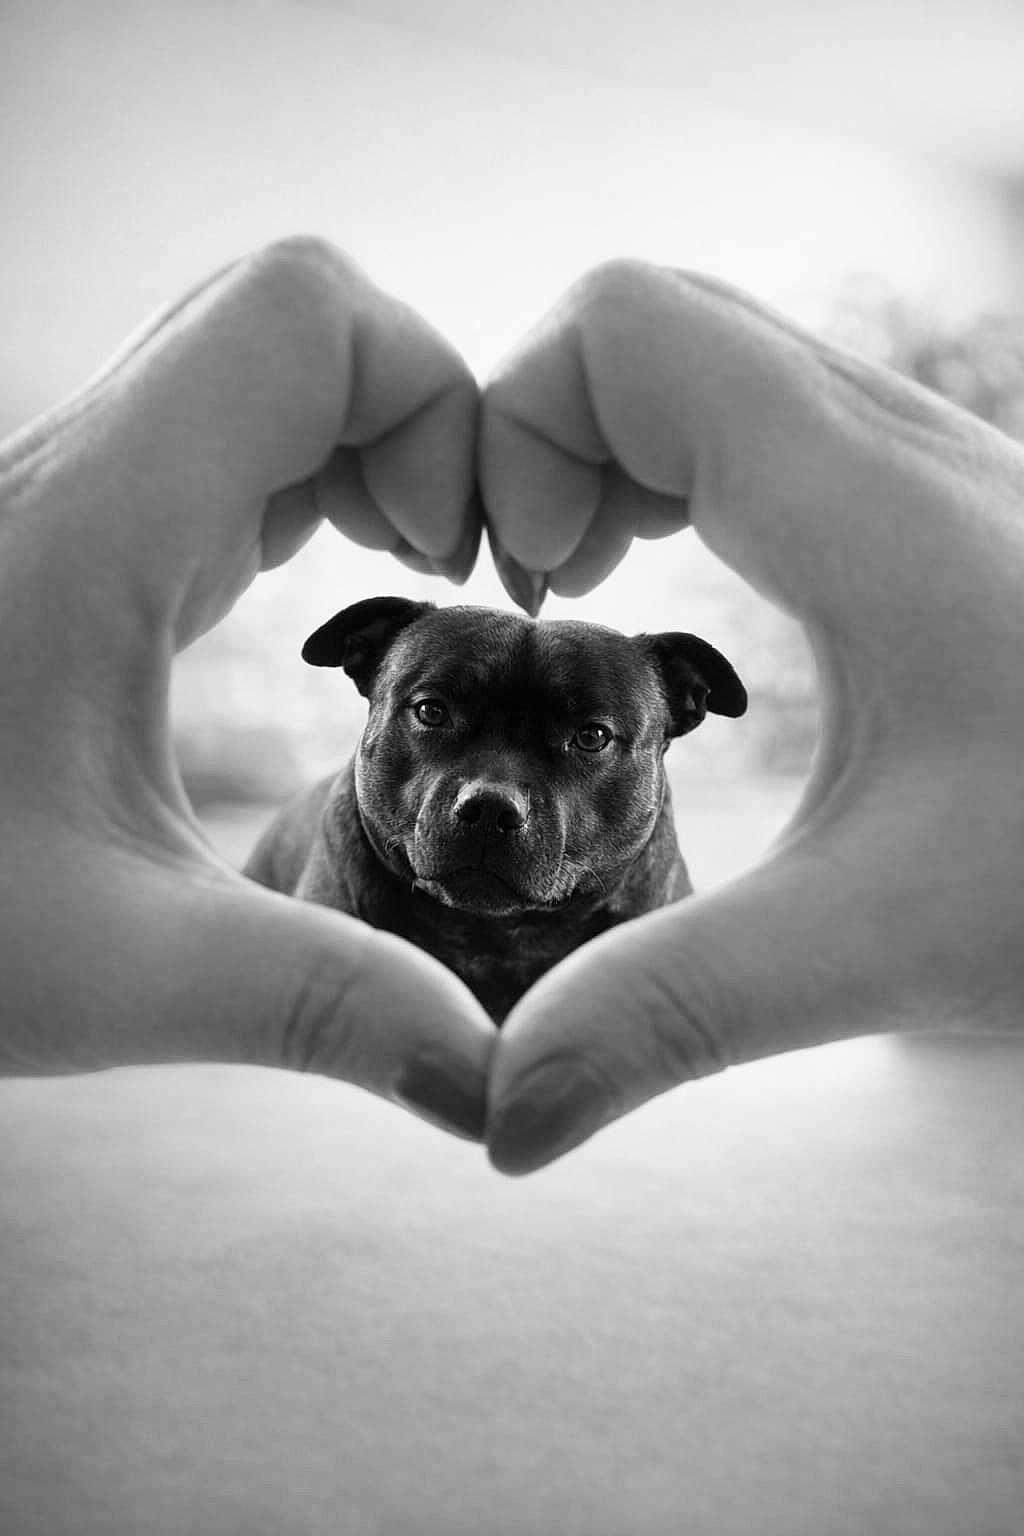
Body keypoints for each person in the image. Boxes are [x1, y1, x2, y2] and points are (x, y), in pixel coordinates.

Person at [2, 239, 1021, 1174]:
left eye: (585, 737)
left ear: (676, 725)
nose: (491, 791)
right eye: (436, 715)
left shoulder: (665, 900)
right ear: (365, 682)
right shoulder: (322, 858)